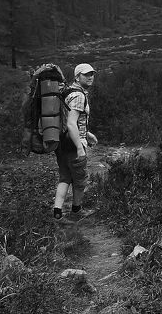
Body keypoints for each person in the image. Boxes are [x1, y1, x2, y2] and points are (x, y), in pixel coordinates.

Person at [52, 63, 98, 223]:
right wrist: (80, 147)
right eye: (86, 74)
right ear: (77, 77)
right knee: (80, 180)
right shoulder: (78, 96)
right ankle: (76, 211)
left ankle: (57, 213)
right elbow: (72, 123)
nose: (90, 77)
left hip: (61, 142)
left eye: (92, 74)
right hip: (73, 144)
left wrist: (88, 134)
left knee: (65, 177)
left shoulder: (66, 92)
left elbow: (68, 120)